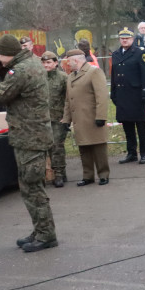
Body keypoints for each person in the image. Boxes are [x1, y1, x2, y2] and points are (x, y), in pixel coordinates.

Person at [0, 34, 58, 252]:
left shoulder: (20, 70)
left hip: (30, 137)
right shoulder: (29, 61)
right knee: (29, 187)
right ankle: (40, 230)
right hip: (31, 135)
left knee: (33, 188)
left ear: (7, 54)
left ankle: (46, 235)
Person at [61, 47, 110, 187]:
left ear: (75, 60)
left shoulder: (94, 72)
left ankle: (103, 174)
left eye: (68, 61)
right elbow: (68, 100)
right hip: (79, 119)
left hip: (93, 117)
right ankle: (87, 175)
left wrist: (101, 116)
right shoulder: (71, 76)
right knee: (84, 148)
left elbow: (101, 96)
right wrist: (66, 119)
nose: (67, 64)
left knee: (98, 148)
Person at [110, 27, 145, 165]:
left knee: (140, 126)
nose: (124, 40)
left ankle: (144, 153)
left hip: (136, 94)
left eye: (127, 38)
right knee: (127, 126)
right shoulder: (115, 54)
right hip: (122, 95)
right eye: (122, 38)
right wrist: (113, 93)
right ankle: (131, 153)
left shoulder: (140, 53)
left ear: (132, 39)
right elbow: (113, 75)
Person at [41, 51, 68, 187]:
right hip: (42, 119)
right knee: (46, 146)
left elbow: (69, 98)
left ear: (56, 63)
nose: (46, 65)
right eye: (44, 63)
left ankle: (59, 173)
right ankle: (48, 173)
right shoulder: (39, 78)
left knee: (57, 146)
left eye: (49, 62)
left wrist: (67, 116)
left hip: (58, 118)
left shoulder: (63, 78)